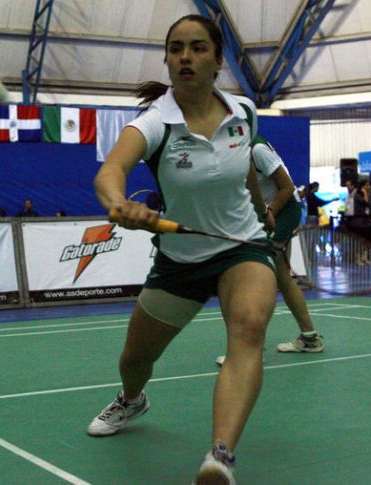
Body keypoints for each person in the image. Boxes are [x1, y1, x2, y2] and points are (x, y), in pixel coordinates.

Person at [87, 14, 277, 484]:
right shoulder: (155, 124)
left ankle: (220, 456)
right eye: (176, 49)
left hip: (240, 245)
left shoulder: (243, 112)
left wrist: (261, 209)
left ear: (217, 59)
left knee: (250, 329)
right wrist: (118, 204)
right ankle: (132, 399)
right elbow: (109, 172)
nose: (185, 57)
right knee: (136, 359)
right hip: (180, 258)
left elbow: (246, 168)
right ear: (168, 60)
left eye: (196, 48)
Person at [215, 134, 323, 363]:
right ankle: (310, 338)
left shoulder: (257, 150)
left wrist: (269, 214)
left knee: (256, 277)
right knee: (282, 277)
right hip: (269, 214)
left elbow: (287, 187)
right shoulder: (230, 149)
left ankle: (248, 348)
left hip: (283, 211)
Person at [348, 179, 371, 264]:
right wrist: (364, 194)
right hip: (358, 223)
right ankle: (358, 258)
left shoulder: (370, 195)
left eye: (369, 185)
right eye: (366, 185)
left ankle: (365, 256)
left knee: (369, 239)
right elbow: (366, 203)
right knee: (358, 241)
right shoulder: (358, 195)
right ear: (362, 187)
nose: (369, 187)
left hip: (366, 222)